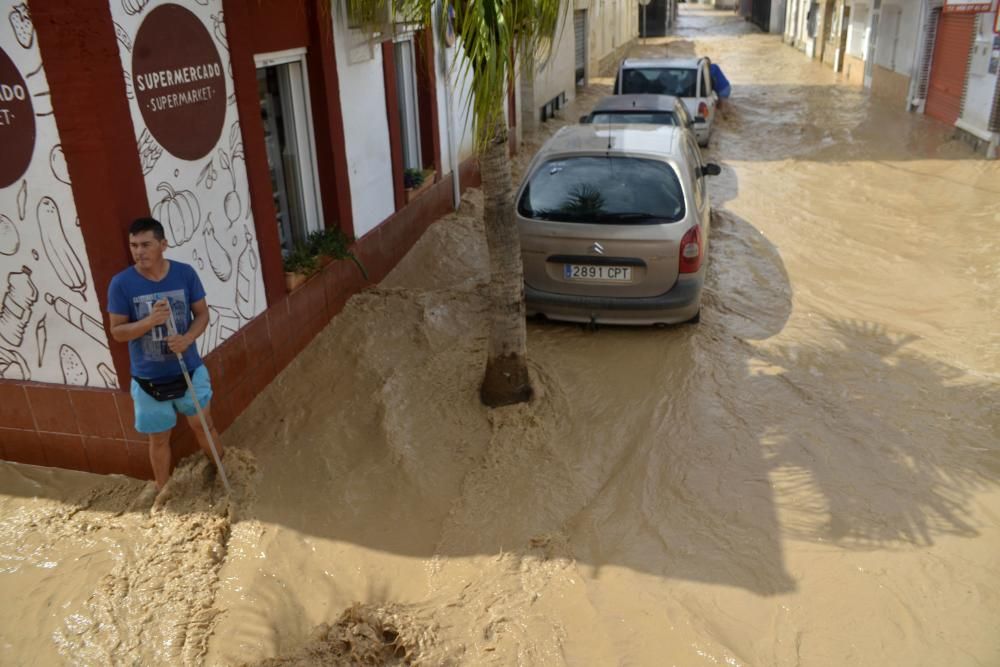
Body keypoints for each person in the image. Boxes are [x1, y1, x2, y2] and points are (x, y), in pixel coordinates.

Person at [108, 217, 222, 493]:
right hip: (148, 377)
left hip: (189, 368)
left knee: (203, 425)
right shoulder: (121, 284)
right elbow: (117, 332)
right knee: (159, 439)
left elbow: (203, 314)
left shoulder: (185, 274)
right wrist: (149, 321)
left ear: (163, 245)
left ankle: (222, 472)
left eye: (146, 244)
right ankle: (163, 491)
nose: (139, 251)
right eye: (134, 245)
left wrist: (188, 338)